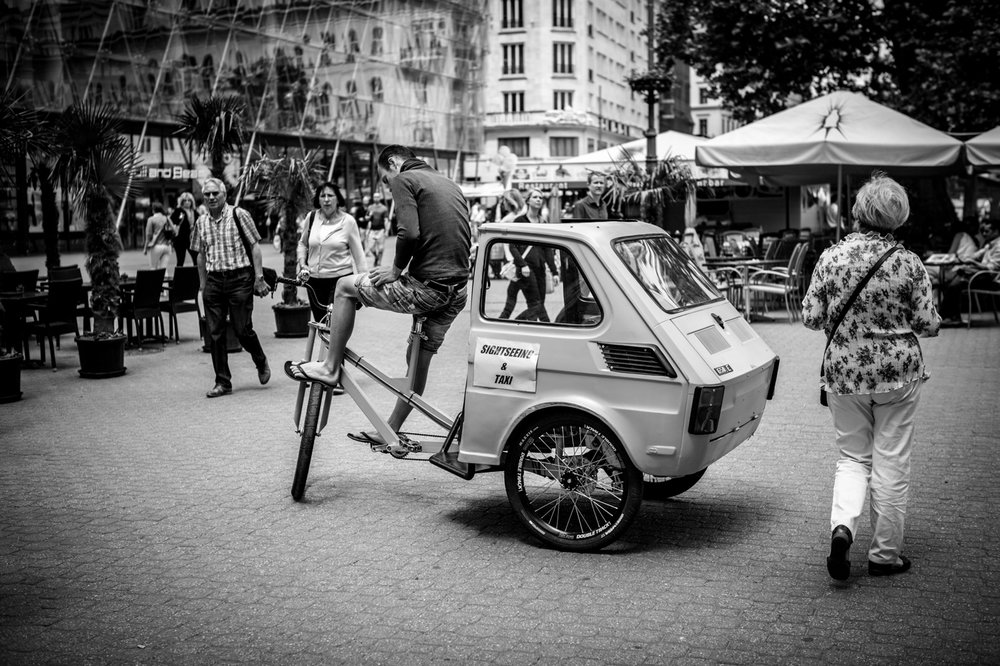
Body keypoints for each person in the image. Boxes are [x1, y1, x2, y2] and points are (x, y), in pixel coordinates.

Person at [283, 145, 471, 453]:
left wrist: (395, 270)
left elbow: (409, 233)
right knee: (416, 360)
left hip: (426, 289)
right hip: (456, 292)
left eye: (384, 179)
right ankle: (391, 429)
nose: (387, 186)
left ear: (393, 163)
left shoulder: (405, 179)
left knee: (344, 286)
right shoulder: (448, 183)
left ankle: (330, 367)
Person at [801, 172, 940, 581]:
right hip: (899, 375)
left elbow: (810, 317)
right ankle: (884, 556)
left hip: (844, 373)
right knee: (891, 460)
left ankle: (843, 529)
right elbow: (928, 324)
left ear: (858, 213)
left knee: (852, 458)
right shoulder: (908, 262)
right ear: (899, 217)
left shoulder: (831, 257)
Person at [191, 177, 271, 398]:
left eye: (215, 193)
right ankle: (222, 382)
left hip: (240, 279)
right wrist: (203, 285)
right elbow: (200, 255)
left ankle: (260, 359)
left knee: (242, 329)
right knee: (215, 334)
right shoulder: (201, 222)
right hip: (214, 281)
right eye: (207, 194)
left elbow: (255, 247)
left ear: (224, 195)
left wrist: (259, 277)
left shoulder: (239, 214)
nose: (211, 197)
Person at [297, 181, 366, 323]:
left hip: (340, 281)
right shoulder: (311, 217)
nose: (326, 200)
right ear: (318, 199)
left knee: (335, 323)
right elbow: (303, 243)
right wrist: (302, 263)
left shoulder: (348, 222)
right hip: (314, 282)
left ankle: (334, 339)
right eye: (323, 196)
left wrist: (363, 287)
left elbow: (359, 257)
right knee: (320, 323)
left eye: (330, 195)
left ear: (338, 199)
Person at [556, 172, 607, 323]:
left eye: (601, 182)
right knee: (579, 296)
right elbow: (577, 232)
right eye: (595, 182)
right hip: (585, 257)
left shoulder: (603, 205)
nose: (599, 185)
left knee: (595, 293)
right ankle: (562, 322)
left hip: (599, 256)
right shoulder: (581, 205)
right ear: (588, 185)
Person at [500, 189, 558, 321]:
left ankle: (524, 325)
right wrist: (523, 265)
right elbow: (513, 246)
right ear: (528, 201)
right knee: (536, 304)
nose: (538, 200)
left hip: (540, 268)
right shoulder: (519, 221)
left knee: (538, 304)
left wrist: (554, 271)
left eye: (541, 198)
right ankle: (546, 327)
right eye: (535, 197)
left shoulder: (543, 222)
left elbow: (547, 250)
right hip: (526, 269)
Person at [939, 219, 1000, 325]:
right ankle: (949, 316)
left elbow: (991, 267)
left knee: (956, 284)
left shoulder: (998, 246)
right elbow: (976, 255)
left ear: (996, 231)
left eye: (987, 231)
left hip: (991, 279)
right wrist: (963, 259)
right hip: (982, 275)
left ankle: (948, 317)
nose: (984, 234)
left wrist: (972, 262)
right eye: (983, 231)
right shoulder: (989, 244)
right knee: (955, 279)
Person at [143, 203, 174, 270]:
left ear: (153, 210)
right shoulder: (167, 218)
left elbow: (148, 235)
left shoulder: (151, 219)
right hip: (167, 246)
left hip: (155, 246)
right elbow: (174, 231)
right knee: (163, 269)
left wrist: (145, 248)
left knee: (153, 268)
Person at [170, 191, 198, 266]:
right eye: (185, 200)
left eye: (189, 200)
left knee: (196, 258)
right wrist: (180, 218)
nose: (187, 202)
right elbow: (173, 221)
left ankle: (195, 273)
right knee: (180, 260)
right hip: (180, 239)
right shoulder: (178, 211)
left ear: (192, 202)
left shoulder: (194, 212)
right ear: (181, 202)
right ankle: (179, 274)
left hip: (192, 239)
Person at [365, 191, 390, 267]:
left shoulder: (384, 208)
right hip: (372, 230)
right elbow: (366, 218)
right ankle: (376, 257)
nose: (376, 198)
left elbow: (386, 220)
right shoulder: (370, 207)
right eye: (375, 197)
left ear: (380, 198)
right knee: (370, 248)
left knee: (381, 248)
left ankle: (379, 262)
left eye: (377, 197)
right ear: (373, 198)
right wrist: (369, 215)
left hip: (381, 230)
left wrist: (386, 230)